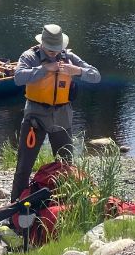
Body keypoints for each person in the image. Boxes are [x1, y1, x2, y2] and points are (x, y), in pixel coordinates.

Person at [10, 24, 102, 199]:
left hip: (62, 118)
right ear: (42, 44)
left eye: (56, 49)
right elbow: (18, 78)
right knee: (24, 165)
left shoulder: (69, 57)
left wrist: (78, 71)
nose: (53, 52)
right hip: (35, 117)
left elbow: (96, 76)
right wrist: (45, 69)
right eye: (50, 49)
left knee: (65, 165)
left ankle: (65, 203)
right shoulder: (29, 56)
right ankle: (16, 204)